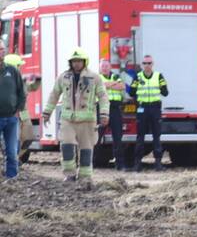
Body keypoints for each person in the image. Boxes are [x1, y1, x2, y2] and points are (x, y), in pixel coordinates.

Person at [41, 48, 109, 189]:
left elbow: (103, 96)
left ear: (84, 62)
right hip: (68, 119)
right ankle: (69, 174)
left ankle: (85, 177)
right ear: (70, 63)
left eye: (79, 61)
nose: (76, 64)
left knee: (86, 149)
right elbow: (54, 94)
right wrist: (47, 112)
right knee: (66, 145)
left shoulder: (94, 78)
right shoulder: (63, 77)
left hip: (87, 121)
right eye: (74, 61)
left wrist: (104, 114)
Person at [129, 55, 168, 172]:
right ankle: (137, 164)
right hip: (142, 108)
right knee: (140, 137)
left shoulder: (158, 76)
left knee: (157, 137)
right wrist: (136, 84)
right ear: (142, 65)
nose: (147, 65)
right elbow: (131, 92)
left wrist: (162, 85)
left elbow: (165, 92)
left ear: (152, 64)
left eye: (149, 63)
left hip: (155, 108)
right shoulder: (138, 76)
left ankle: (158, 163)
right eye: (145, 63)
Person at [3, 54, 39, 164]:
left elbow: (32, 87)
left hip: (24, 115)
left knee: (28, 138)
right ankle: (12, 159)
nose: (20, 68)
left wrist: (38, 80)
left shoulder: (21, 80)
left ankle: (17, 156)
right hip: (11, 115)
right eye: (19, 66)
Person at [98, 58, 128, 170]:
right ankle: (90, 163)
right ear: (100, 68)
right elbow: (101, 86)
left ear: (110, 67)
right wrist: (114, 84)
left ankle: (120, 164)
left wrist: (108, 84)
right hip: (102, 109)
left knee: (118, 138)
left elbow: (123, 86)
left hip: (115, 109)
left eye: (106, 66)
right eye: (103, 66)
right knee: (96, 137)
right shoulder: (97, 78)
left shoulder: (115, 76)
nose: (105, 68)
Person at [0, 53, 26, 179]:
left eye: (2, 49)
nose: (1, 52)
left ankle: (12, 177)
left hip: (11, 118)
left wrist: (18, 109)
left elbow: (21, 91)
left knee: (11, 151)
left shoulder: (12, 71)